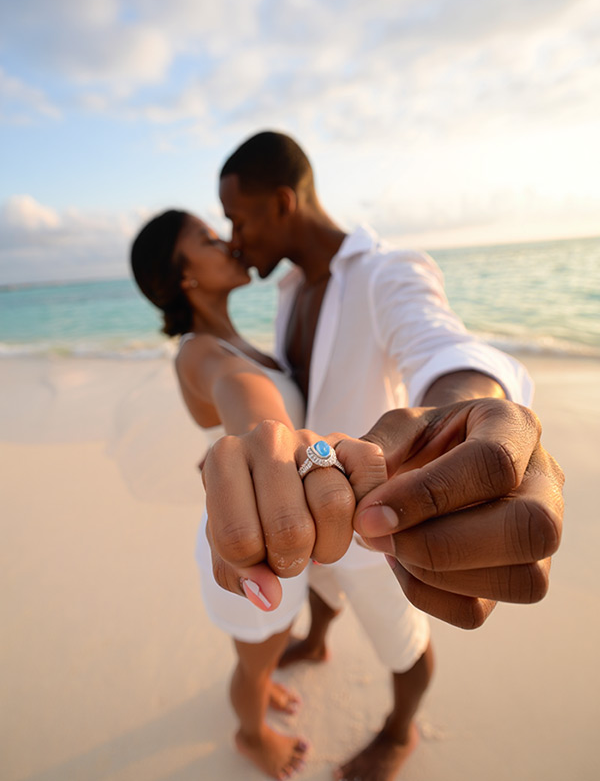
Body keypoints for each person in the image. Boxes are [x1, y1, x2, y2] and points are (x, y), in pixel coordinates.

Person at [202, 130, 565, 781]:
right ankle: (317, 639)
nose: (234, 238)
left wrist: (462, 407)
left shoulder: (386, 271)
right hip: (308, 516)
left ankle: (400, 732)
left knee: (405, 643)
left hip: (377, 513)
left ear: (284, 202)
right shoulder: (290, 289)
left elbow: (439, 345)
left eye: (240, 218)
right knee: (319, 590)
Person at [129, 209, 389, 781]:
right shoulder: (199, 354)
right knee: (255, 658)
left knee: (269, 645)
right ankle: (251, 735)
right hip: (248, 526)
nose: (225, 239)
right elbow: (247, 402)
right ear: (182, 276)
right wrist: (274, 441)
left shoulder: (237, 341)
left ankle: (265, 679)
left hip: (272, 511)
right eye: (204, 237)